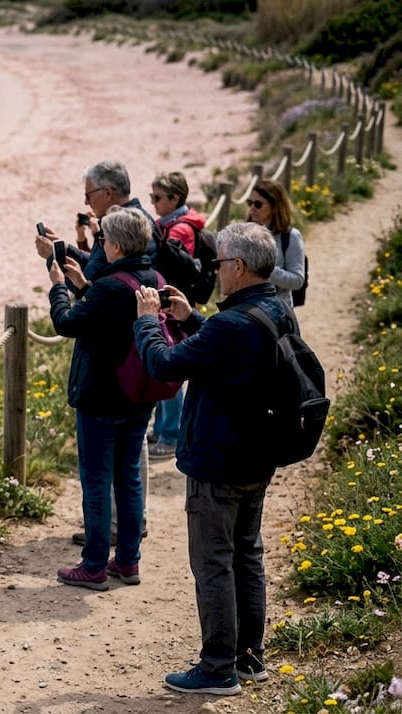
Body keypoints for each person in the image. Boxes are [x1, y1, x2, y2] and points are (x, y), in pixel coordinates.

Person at [131, 222, 296, 696]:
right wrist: (190, 318)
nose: (214, 269)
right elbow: (230, 350)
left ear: (238, 267)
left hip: (217, 460)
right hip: (256, 455)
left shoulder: (231, 324)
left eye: (220, 262)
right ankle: (248, 659)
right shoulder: (276, 311)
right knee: (247, 556)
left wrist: (147, 321)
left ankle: (218, 667)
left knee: (213, 563)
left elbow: (164, 365)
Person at [36, 159, 155, 548]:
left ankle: (93, 563)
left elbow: (67, 323)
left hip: (104, 391)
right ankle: (127, 558)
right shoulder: (149, 277)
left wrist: (58, 286)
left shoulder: (111, 285)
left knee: (98, 481)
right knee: (129, 480)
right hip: (136, 390)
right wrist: (84, 284)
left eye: (103, 241)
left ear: (117, 245)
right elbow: (112, 310)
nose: (98, 246)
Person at [146, 171, 208, 462]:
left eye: (157, 198)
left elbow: (167, 267)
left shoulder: (179, 230)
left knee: (170, 372)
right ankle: (162, 429)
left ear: (174, 198)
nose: (153, 203)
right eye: (151, 197)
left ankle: (171, 434)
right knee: (164, 368)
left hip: (174, 308)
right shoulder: (168, 224)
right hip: (173, 305)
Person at [247, 178, 306, 313]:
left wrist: (266, 269)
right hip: (247, 309)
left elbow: (297, 280)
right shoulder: (245, 233)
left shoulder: (291, 237)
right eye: (250, 203)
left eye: (258, 204)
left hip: (278, 312)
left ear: (274, 207)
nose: (252, 209)